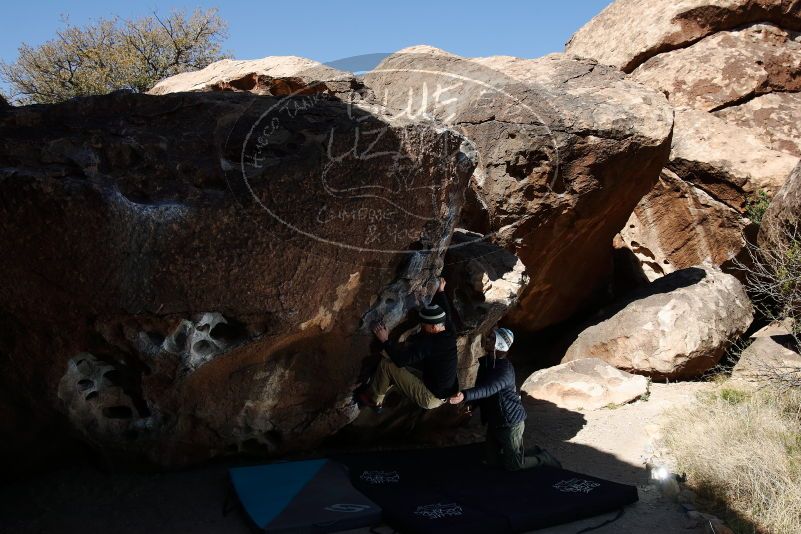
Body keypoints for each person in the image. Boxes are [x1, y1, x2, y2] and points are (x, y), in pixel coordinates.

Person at [449, 328, 561, 471]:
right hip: (495, 422)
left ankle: (542, 457)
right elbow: (482, 388)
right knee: (492, 462)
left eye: (492, 338)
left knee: (514, 465)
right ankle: (522, 453)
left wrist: (464, 395)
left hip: (510, 423)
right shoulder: (488, 363)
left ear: (499, 344)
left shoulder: (504, 371)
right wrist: (471, 405)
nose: (488, 339)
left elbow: (489, 388)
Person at [357, 277, 459, 411]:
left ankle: (375, 402)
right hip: (439, 389)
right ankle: (383, 385)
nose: (422, 327)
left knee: (387, 365)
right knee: (399, 363)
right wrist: (441, 291)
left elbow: (400, 360)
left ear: (434, 327)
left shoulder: (431, 343)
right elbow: (447, 313)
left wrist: (385, 340)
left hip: (430, 396)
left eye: (424, 325)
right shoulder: (449, 331)